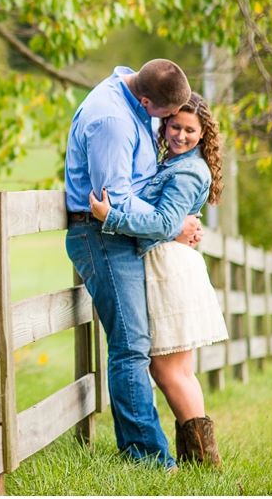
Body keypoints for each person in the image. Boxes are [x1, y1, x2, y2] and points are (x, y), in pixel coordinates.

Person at [64, 59, 202, 470]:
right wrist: (171, 225)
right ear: (145, 99)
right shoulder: (113, 122)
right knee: (131, 345)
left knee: (140, 343)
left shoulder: (131, 95)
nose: (168, 126)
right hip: (102, 235)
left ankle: (160, 449)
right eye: (165, 117)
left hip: (122, 235)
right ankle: (147, 456)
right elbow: (116, 202)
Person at [89, 92, 228, 467]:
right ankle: (199, 460)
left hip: (168, 268)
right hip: (173, 261)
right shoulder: (176, 161)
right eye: (175, 126)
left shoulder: (185, 169)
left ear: (203, 134)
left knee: (167, 370)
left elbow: (164, 223)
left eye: (190, 130)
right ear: (165, 123)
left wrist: (110, 217)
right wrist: (179, 226)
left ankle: (202, 458)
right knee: (179, 370)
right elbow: (172, 221)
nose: (180, 134)